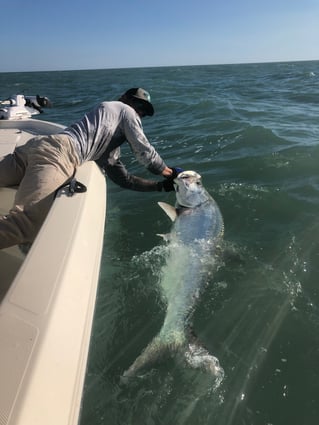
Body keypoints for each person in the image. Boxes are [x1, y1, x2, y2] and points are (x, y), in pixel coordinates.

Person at [0, 88, 181, 250]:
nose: (139, 113)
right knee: (27, 224)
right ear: (124, 98)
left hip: (37, 145)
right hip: (59, 154)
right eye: (138, 105)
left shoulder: (105, 142)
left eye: (144, 113)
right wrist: (170, 173)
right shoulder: (124, 109)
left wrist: (161, 187)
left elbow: (125, 180)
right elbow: (144, 151)